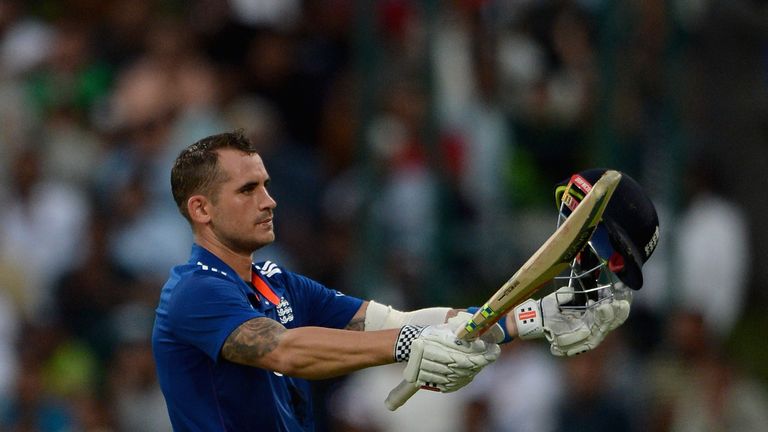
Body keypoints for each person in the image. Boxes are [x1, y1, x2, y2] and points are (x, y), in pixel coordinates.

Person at [151, 130, 655, 431]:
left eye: (266, 184)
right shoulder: (194, 289)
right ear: (201, 209)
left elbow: (402, 321)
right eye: (248, 189)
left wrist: (531, 318)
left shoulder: (275, 281)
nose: (269, 200)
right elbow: (283, 350)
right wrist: (411, 343)